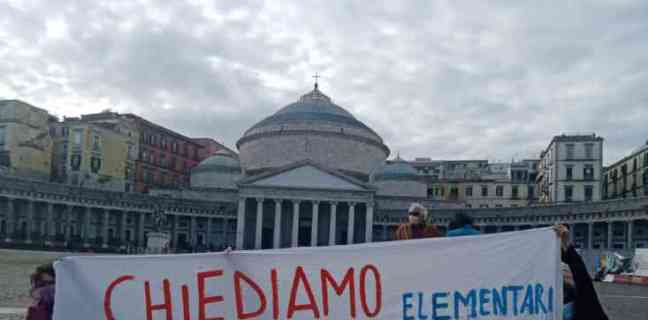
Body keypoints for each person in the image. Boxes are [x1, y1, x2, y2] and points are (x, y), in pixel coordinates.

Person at [553, 224, 608, 320]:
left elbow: (581, 274)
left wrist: (566, 244)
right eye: (563, 272)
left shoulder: (586, 300)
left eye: (567, 271)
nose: (566, 274)